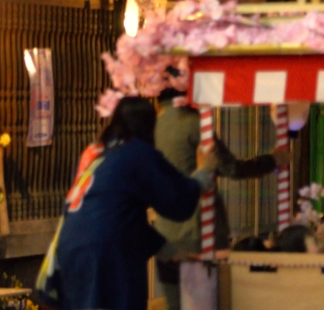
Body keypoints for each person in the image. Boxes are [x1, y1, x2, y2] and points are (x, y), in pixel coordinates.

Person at [50, 96, 217, 310]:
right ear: (149, 125)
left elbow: (119, 218)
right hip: (107, 253)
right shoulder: (137, 151)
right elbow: (177, 202)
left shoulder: (97, 154)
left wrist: (167, 249)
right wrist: (203, 173)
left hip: (68, 249)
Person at [154, 89, 289, 310]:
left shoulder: (153, 125)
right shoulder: (195, 124)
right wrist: (271, 160)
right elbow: (232, 168)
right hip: (197, 232)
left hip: (164, 234)